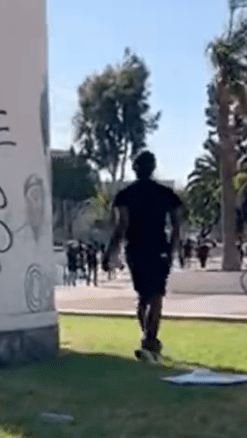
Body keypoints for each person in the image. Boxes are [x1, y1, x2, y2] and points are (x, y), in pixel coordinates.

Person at [103, 151, 182, 362]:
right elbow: (176, 226)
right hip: (158, 248)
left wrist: (110, 251)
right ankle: (149, 340)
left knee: (146, 298)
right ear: (153, 167)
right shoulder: (165, 194)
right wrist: (173, 251)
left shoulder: (125, 195)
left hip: (136, 249)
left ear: (134, 168)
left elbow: (122, 226)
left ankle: (148, 340)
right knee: (154, 298)